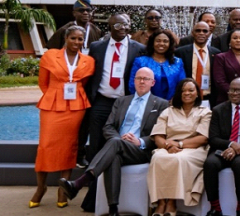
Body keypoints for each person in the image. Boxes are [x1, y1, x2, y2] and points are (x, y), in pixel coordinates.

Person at [60, 67, 169, 215]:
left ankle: (81, 182)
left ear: (153, 82)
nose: (142, 81)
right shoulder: (122, 101)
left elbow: (160, 133)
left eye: (146, 79)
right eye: (139, 78)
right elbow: (108, 127)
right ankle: (113, 209)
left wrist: (140, 141)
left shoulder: (161, 104)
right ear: (134, 81)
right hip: (118, 145)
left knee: (114, 144)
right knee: (114, 156)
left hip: (141, 150)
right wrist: (118, 139)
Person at [81, 14, 146, 211]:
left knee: (118, 143)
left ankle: (116, 197)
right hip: (101, 102)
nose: (123, 27)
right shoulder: (97, 47)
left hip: (125, 102)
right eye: (118, 24)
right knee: (96, 148)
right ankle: (93, 199)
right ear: (109, 26)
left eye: (127, 23)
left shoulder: (139, 48)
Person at [31, 26, 95, 208]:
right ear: (66, 38)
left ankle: (63, 189)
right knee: (45, 145)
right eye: (73, 38)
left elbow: (83, 83)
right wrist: (56, 95)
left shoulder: (89, 61)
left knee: (69, 146)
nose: (77, 42)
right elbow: (43, 82)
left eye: (80, 39)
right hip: (52, 104)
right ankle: (40, 188)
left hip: (76, 107)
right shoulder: (50, 55)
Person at [45, 0, 101, 166]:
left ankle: (79, 154)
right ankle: (63, 153)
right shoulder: (65, 30)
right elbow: (51, 55)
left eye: (88, 10)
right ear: (73, 13)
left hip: (88, 81)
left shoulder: (96, 31)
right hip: (68, 83)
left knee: (85, 121)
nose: (85, 13)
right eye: (81, 10)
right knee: (67, 123)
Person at [148, 78, 212, 214]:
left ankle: (171, 202)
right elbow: (158, 136)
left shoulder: (205, 112)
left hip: (194, 149)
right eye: (183, 91)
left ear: (197, 93)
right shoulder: (168, 111)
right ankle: (160, 203)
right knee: (157, 158)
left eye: (191, 90)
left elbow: (203, 138)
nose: (186, 93)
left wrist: (179, 144)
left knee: (178, 159)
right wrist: (167, 146)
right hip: (168, 146)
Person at [203, 78, 240, 216]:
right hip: (222, 148)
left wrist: (239, 148)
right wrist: (231, 145)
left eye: (239, 90)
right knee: (210, 163)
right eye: (232, 89)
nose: (234, 93)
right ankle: (215, 208)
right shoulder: (218, 109)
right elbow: (213, 138)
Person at [128, 30, 185, 100]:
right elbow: (133, 85)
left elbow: (182, 85)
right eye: (158, 41)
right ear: (152, 43)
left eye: (165, 41)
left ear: (170, 44)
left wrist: (175, 100)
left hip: (172, 105)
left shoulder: (178, 62)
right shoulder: (140, 61)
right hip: (146, 104)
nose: (161, 43)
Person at [175, 21, 220, 102]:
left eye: (205, 31)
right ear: (192, 33)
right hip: (186, 98)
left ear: (209, 33)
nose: (201, 33)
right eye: (198, 30)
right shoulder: (180, 52)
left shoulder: (216, 53)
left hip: (209, 98)